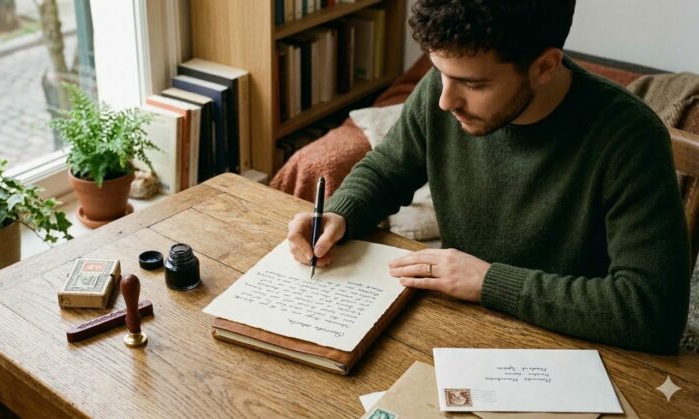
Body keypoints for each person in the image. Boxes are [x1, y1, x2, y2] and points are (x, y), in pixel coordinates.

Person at [286, 0, 690, 354]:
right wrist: (340, 214)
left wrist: (488, 281)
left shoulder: (630, 139)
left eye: (474, 84)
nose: (445, 100)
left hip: (577, 350)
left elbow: (651, 311)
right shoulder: (440, 90)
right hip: (458, 324)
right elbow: (387, 169)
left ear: (545, 67)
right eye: (439, 72)